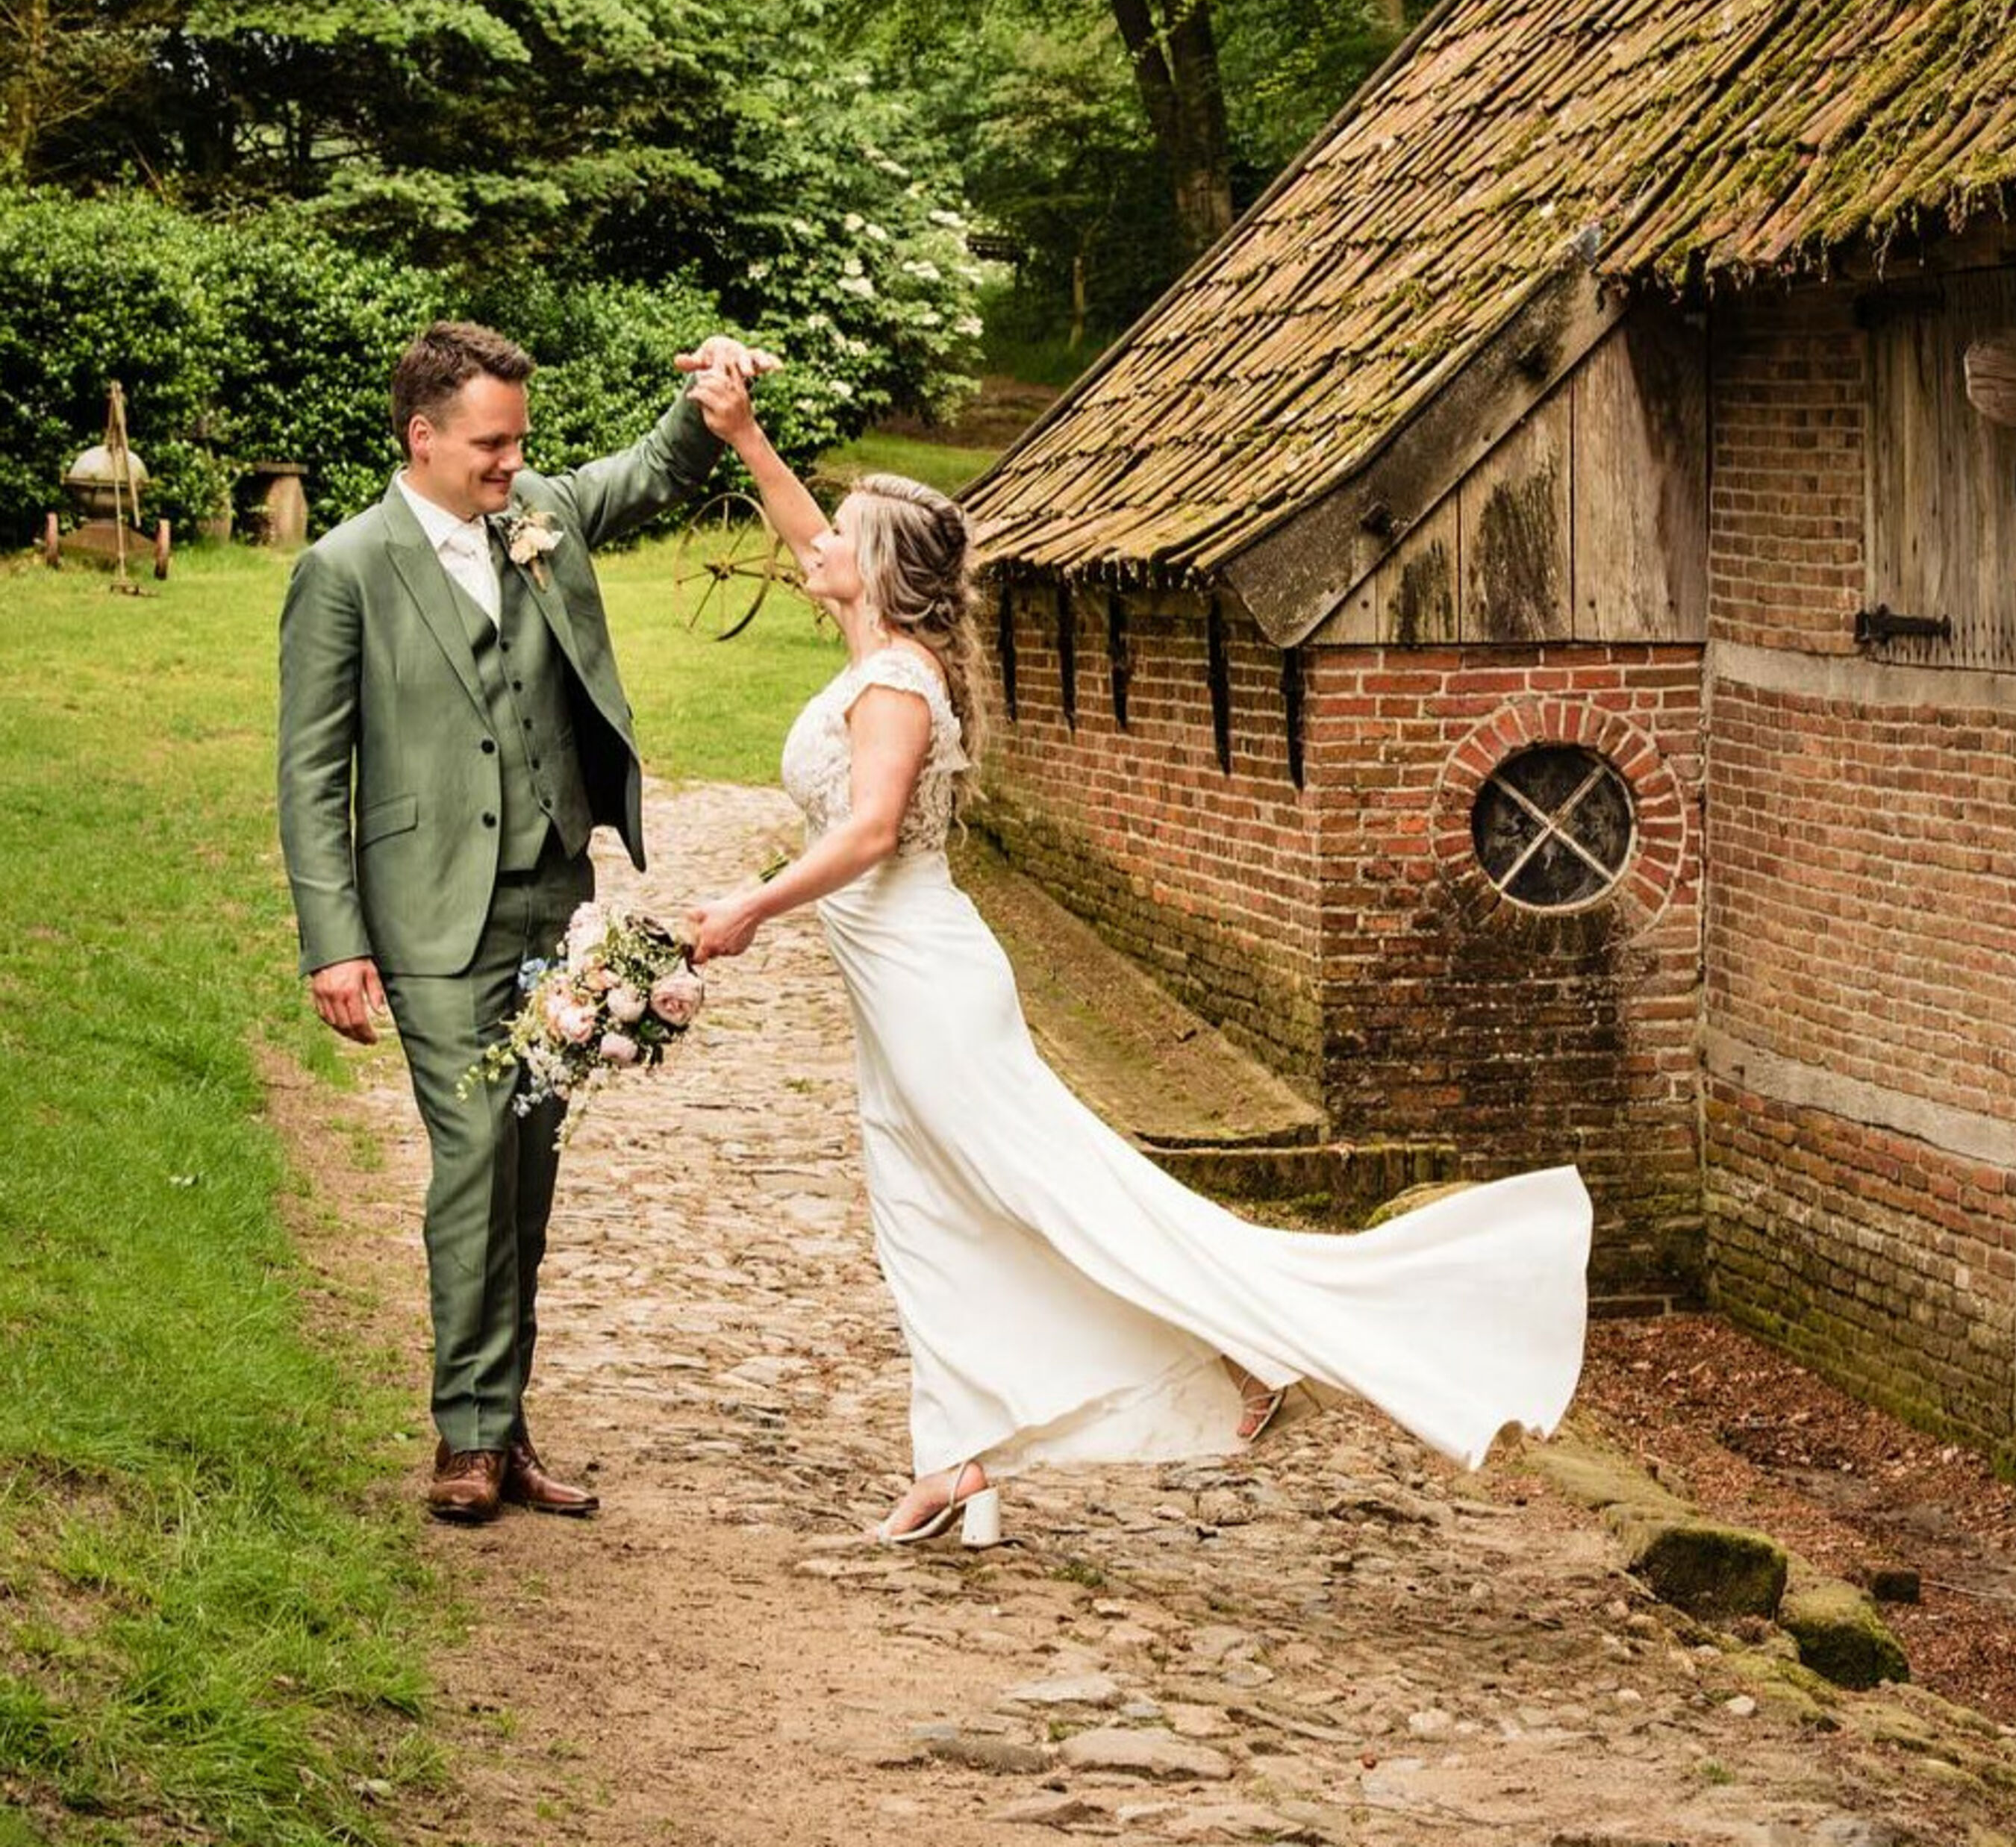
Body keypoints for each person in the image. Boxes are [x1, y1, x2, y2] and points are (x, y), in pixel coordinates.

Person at [678, 378, 1594, 1546]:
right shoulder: (880, 646)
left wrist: (750, 905)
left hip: (932, 988)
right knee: (926, 1212)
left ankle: (1252, 1350)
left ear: (880, 570)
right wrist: (743, 434)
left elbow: (863, 834)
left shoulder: (899, 686)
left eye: (839, 539)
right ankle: (955, 1455)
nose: (815, 548)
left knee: (1057, 1196)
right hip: (895, 991)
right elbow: (809, 535)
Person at [278, 320, 767, 1524]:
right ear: (424, 437)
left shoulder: (540, 515)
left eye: (520, 444)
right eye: (491, 446)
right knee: (474, 1154)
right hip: (428, 912)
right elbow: (310, 772)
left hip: (556, 895)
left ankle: (506, 1427)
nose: (511, 465)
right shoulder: (344, 569)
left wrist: (712, 405)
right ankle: (467, 1431)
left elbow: (645, 473)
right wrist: (334, 941)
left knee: (530, 1167)